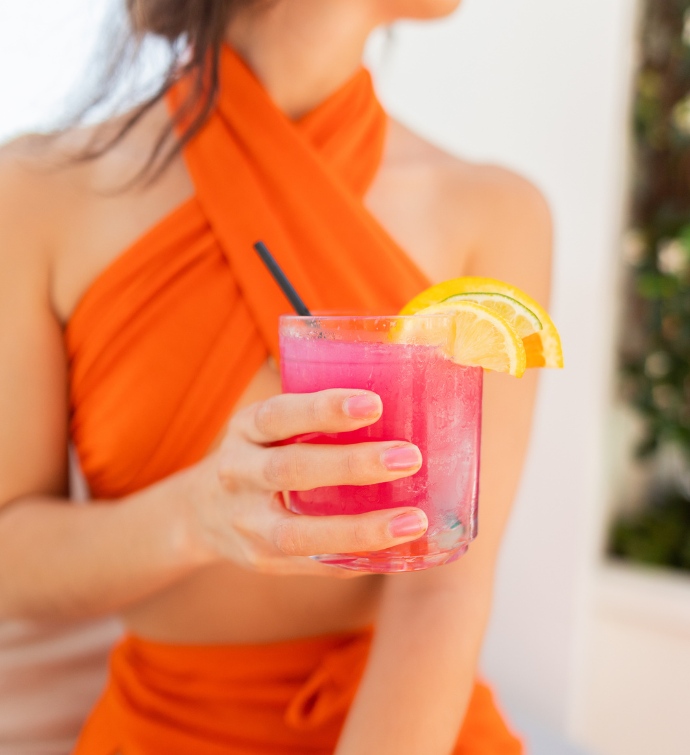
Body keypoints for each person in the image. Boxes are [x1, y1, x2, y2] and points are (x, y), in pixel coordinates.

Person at [0, 0, 552, 752]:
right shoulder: (35, 194)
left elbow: (446, 584)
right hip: (164, 729)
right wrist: (195, 517)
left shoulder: (494, 213)